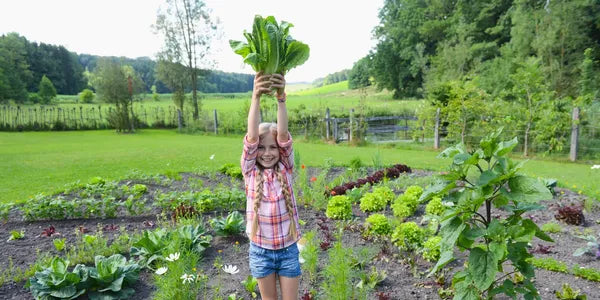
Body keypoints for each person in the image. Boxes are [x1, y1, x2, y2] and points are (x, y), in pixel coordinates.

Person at [241, 72, 301, 300]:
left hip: (288, 250)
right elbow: (251, 138)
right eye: (262, 148)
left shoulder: (285, 168)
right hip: (261, 252)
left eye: (273, 148)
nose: (267, 153)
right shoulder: (250, 171)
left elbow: (283, 135)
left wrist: (281, 99)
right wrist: (255, 97)